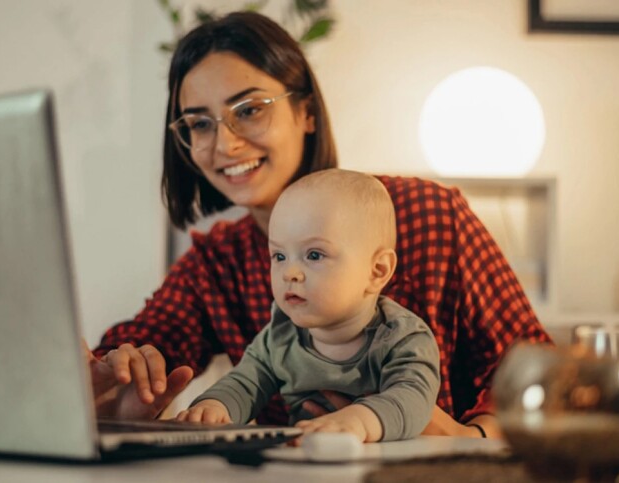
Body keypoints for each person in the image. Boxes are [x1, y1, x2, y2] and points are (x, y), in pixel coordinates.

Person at [87, 11, 552, 439]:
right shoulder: (217, 262)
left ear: (306, 112)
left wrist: (471, 437)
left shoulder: (428, 214)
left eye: (249, 110)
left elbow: (539, 373)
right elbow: (145, 348)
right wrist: (117, 385)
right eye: (200, 124)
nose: (224, 144)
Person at [174, 169, 441, 443]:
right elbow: (245, 384)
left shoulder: (403, 337)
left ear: (377, 271)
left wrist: (359, 421)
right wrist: (214, 407)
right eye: (279, 256)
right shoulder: (280, 335)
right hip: (307, 459)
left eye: (314, 255)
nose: (289, 273)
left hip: (387, 464)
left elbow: (413, 398)